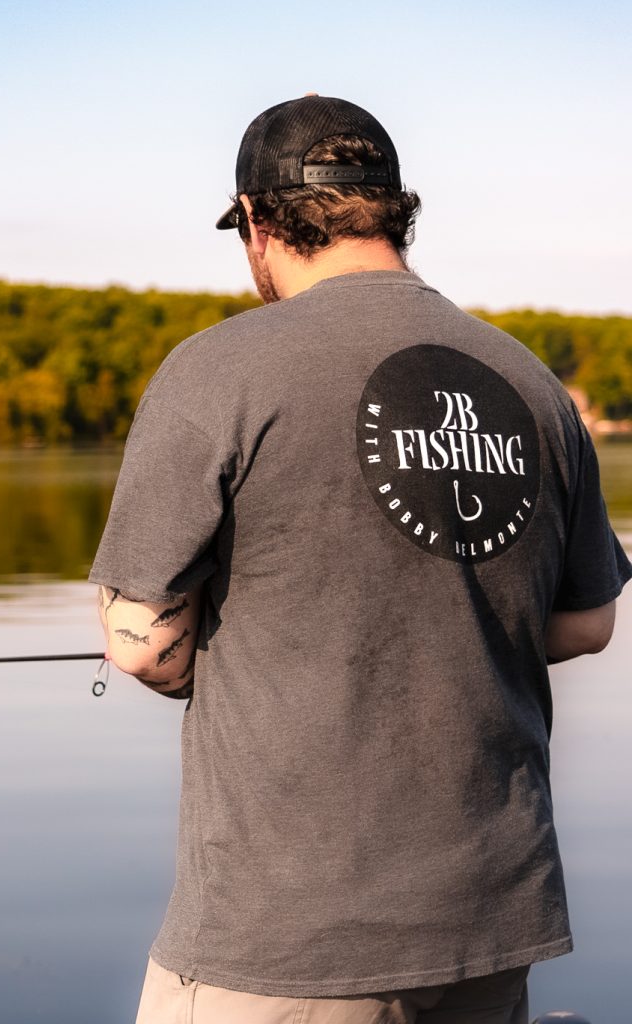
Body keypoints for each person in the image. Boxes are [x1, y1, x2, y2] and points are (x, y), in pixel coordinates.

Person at [89, 94, 631, 1024]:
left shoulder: (216, 371)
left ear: (257, 221)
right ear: (393, 208)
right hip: (491, 923)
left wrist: (212, 653)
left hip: (286, 942)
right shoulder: (531, 382)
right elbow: (586, 621)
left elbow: (142, 642)